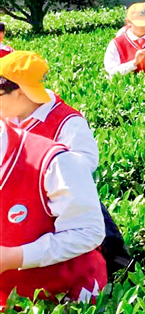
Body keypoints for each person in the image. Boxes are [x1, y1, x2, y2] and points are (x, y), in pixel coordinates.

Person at [0, 51, 130, 283]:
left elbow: (83, 167)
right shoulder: (10, 115)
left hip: (57, 197)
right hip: (20, 200)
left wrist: (45, 165)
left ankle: (119, 267)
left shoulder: (67, 122)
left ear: (21, 92)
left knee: (96, 240)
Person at [0, 120, 106, 308]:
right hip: (7, 301)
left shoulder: (56, 161)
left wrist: (15, 257)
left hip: (65, 301)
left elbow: (88, 231)